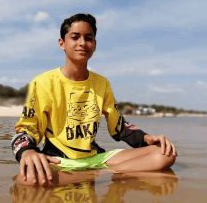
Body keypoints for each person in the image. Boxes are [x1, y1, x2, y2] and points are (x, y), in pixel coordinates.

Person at [11, 13, 177, 186]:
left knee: (165, 154)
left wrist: (147, 139)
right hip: (60, 162)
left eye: (88, 38)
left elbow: (118, 128)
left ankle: (95, 174)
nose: (82, 43)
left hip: (95, 159)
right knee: (26, 179)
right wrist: (27, 152)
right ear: (62, 43)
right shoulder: (43, 82)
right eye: (75, 37)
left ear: (94, 45)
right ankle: (100, 176)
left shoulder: (101, 83)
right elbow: (26, 129)